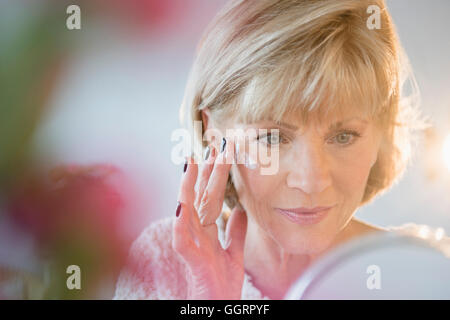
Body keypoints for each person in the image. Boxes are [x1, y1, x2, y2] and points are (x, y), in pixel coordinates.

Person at [113, 0, 449, 300]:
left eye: (344, 136)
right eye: (273, 138)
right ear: (214, 133)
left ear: (381, 135)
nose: (311, 181)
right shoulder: (165, 266)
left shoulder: (421, 274)